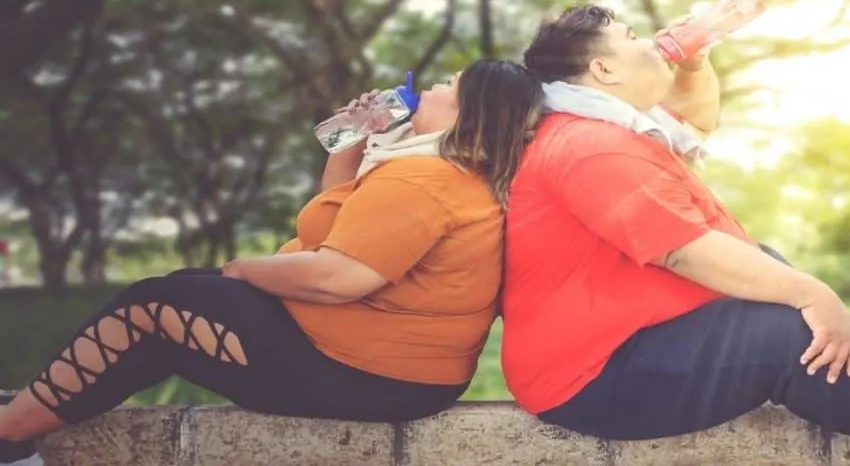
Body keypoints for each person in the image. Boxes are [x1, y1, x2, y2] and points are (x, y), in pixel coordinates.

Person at [500, 4, 850, 466]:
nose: (649, 42)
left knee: (769, 270)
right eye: (632, 36)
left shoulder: (602, 126)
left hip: (619, 344)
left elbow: (695, 120)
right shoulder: (592, 147)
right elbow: (683, 252)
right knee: (789, 333)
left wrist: (696, 59)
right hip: (590, 379)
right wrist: (816, 293)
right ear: (604, 68)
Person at [0, 59, 545, 466]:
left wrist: (243, 268)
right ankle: (34, 412)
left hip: (366, 375)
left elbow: (338, 278)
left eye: (449, 85)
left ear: (469, 113)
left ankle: (12, 432)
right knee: (181, 294)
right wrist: (351, 142)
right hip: (392, 369)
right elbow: (337, 218)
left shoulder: (427, 181)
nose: (431, 85)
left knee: (156, 304)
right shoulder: (444, 172)